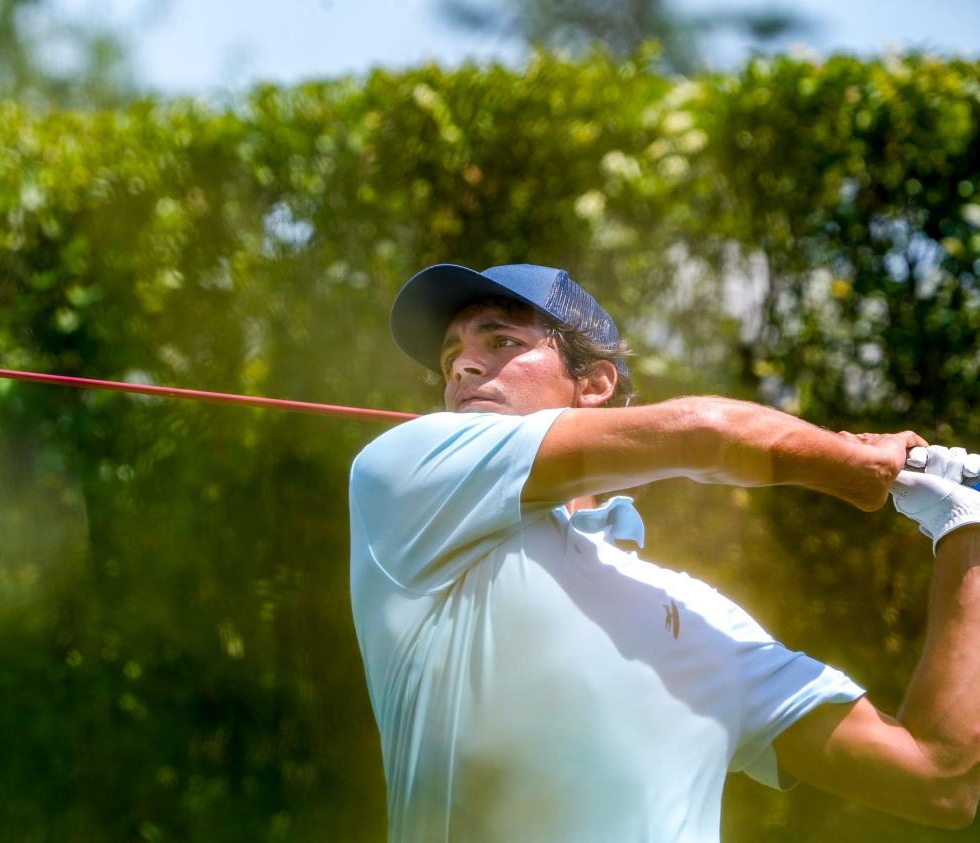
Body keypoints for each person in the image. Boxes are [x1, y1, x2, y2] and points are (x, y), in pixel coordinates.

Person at [347, 262, 980, 842]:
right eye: (452, 353)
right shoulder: (406, 475)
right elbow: (706, 435)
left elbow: (936, 780)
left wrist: (966, 527)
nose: (462, 366)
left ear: (593, 385)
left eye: (502, 342)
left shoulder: (697, 613)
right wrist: (850, 462)